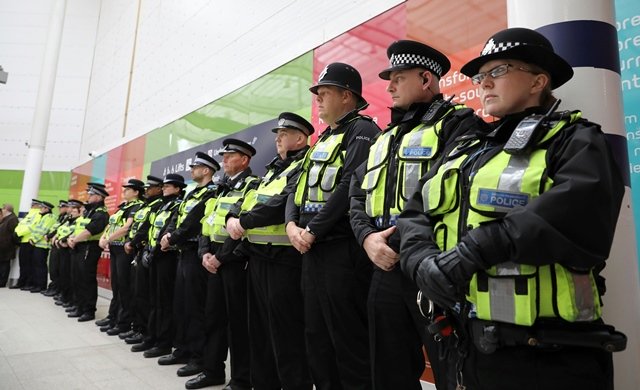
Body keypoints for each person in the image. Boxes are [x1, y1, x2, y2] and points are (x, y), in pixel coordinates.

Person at [398, 27, 626, 390]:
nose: (484, 83)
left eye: (498, 71)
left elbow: (577, 213)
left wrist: (475, 250)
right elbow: (413, 215)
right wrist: (421, 263)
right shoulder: (467, 148)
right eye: (480, 76)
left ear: (538, 81)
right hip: (465, 346)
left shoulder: (577, 139)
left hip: (549, 355)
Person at [349, 40, 486, 390]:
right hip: (382, 264)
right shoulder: (385, 137)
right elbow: (357, 193)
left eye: (398, 77)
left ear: (426, 79)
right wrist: (366, 238)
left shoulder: (460, 124)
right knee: (388, 369)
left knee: (449, 369)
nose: (389, 86)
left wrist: (404, 244)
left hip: (431, 265)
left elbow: (451, 188)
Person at [285, 62, 380, 389]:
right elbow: (295, 188)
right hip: (312, 252)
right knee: (317, 336)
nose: (318, 100)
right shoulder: (324, 138)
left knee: (348, 338)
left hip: (342, 252)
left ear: (346, 95)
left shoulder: (364, 131)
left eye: (324, 93)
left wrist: (311, 231)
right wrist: (290, 226)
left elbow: (348, 187)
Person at [225, 112, 314, 390]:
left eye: (282, 135)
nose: (277, 140)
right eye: (276, 135)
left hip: (284, 264)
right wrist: (232, 217)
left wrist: (244, 221)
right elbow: (249, 200)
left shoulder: (304, 166)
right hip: (258, 261)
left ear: (299, 138)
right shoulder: (273, 169)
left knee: (287, 339)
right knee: (260, 336)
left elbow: (280, 204)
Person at [193, 138, 258, 390]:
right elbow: (206, 225)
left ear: (244, 159)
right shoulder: (220, 189)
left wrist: (220, 257)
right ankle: (212, 371)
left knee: (238, 324)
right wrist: (204, 254)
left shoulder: (252, 185)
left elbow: (243, 229)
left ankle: (242, 379)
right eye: (224, 156)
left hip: (233, 264)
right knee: (213, 319)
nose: (224, 160)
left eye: (230, 156)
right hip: (213, 263)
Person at [159, 152, 220, 377]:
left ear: (206, 170)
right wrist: (167, 236)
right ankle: (182, 348)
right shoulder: (190, 193)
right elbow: (177, 218)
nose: (192, 170)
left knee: (196, 307)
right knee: (181, 304)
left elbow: (194, 221)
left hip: (196, 254)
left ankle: (198, 356)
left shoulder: (212, 192)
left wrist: (173, 238)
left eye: (196, 167)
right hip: (182, 254)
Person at [132, 174, 185, 357]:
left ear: (177, 188)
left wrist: (153, 251)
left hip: (167, 256)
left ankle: (163, 342)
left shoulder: (178, 205)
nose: (164, 188)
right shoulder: (162, 206)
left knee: (163, 302)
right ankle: (151, 337)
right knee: (153, 299)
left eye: (168, 186)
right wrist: (146, 249)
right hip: (154, 255)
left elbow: (168, 229)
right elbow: (150, 229)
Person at [99, 178, 145, 337]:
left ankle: (124, 322)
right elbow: (111, 225)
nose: (124, 190)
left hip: (124, 250)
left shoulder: (137, 206)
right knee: (117, 285)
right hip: (114, 248)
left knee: (125, 287)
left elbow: (127, 227)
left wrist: (108, 239)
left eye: (128, 189)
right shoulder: (122, 207)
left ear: (136, 192)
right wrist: (103, 238)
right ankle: (113, 317)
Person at [124, 175, 165, 347]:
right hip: (140, 251)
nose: (146, 190)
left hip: (149, 252)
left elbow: (146, 229)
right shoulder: (147, 205)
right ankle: (138, 327)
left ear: (159, 189)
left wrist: (133, 243)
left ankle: (144, 330)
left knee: (145, 295)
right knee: (137, 292)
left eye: (151, 187)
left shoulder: (158, 205)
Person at [68, 182, 110, 322]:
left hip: (89, 248)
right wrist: (71, 238)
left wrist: (74, 240)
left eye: (91, 194)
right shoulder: (88, 211)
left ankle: (88, 310)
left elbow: (90, 230)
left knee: (87, 279)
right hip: (80, 246)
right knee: (77, 277)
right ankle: (79, 306)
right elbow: (79, 228)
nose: (88, 196)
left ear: (99, 197)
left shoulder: (101, 213)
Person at [52, 199, 83, 307]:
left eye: (74, 210)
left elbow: (73, 233)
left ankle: (68, 298)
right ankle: (64, 295)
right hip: (62, 246)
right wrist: (57, 238)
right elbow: (60, 230)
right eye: (71, 209)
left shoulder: (78, 220)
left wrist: (63, 240)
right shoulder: (68, 219)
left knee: (68, 275)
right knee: (62, 272)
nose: (71, 211)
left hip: (69, 248)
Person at [28, 200, 58, 293]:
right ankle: (36, 284)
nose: (40, 209)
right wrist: (32, 238)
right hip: (37, 244)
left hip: (43, 245)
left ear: (46, 209)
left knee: (40, 266)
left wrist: (34, 239)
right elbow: (36, 229)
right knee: (36, 265)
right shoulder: (43, 216)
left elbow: (43, 230)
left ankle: (41, 286)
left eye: (42, 207)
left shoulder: (49, 217)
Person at [12, 199, 42, 289]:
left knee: (28, 264)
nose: (32, 205)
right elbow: (21, 225)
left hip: (29, 241)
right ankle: (21, 282)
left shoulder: (38, 214)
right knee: (23, 264)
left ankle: (28, 283)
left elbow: (32, 227)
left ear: (37, 205)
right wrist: (16, 232)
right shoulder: (29, 214)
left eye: (34, 204)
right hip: (23, 241)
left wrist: (19, 233)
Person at [42, 200, 70, 297]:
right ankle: (54, 288)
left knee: (58, 269)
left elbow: (59, 229)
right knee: (53, 268)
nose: (59, 209)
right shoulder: (61, 217)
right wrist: (50, 236)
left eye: (62, 207)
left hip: (61, 245)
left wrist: (50, 236)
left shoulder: (68, 218)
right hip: (55, 244)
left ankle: (57, 289)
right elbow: (57, 229)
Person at [0, 204, 19, 287]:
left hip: (7, 246)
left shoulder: (12, 219)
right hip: (3, 246)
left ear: (6, 210)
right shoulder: (6, 219)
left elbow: (15, 234)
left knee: (4, 264)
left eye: (3, 209)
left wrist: (14, 244)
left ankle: (2, 282)